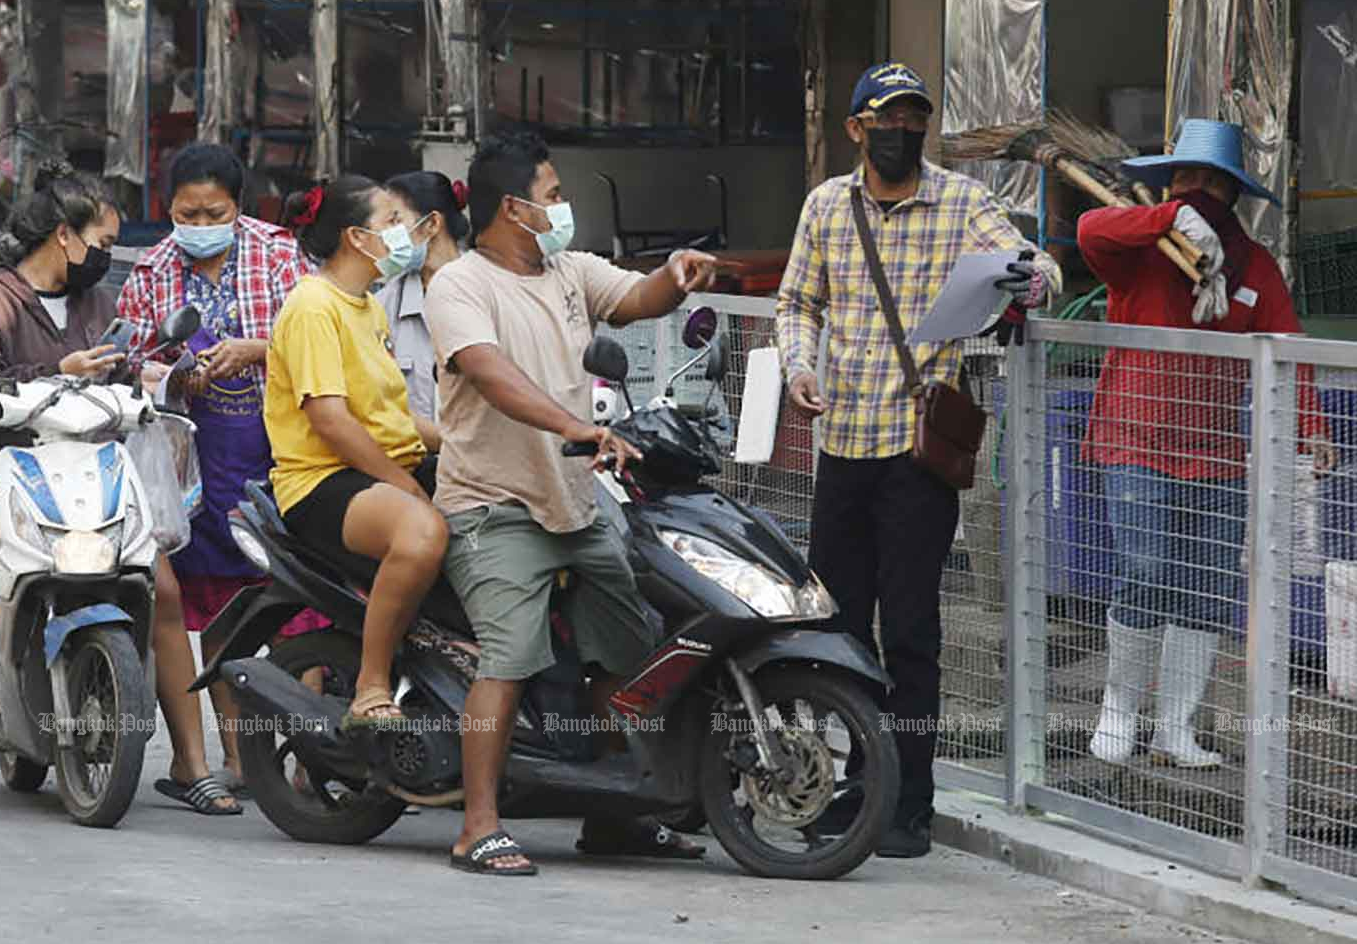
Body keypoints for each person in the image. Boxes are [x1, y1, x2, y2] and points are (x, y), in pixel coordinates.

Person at [0, 163, 237, 814]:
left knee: (161, 594)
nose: (106, 255)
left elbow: (123, 369)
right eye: (101, 241)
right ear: (65, 237)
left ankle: (192, 762)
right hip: (2, 469)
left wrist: (148, 378)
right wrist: (57, 370)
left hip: (90, 469)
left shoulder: (100, 304)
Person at [774, 62, 1060, 857]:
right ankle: (848, 790)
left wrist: (1027, 282)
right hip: (842, 447)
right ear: (857, 129)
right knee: (835, 632)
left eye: (915, 120)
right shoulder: (827, 206)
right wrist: (800, 366)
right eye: (888, 119)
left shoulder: (963, 202)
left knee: (910, 633)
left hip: (916, 456)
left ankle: (907, 802)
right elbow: (797, 302)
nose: (903, 132)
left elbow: (1036, 263)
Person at [423, 131, 718, 876]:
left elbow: (637, 296)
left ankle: (614, 816)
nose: (565, 209)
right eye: (554, 196)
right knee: (509, 657)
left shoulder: (568, 271)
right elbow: (489, 374)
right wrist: (574, 424)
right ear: (515, 209)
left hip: (576, 502)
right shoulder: (459, 285)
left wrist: (676, 276)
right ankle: (477, 826)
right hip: (492, 504)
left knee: (626, 653)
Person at [1080, 118, 1333, 769]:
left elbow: (1288, 347)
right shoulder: (1142, 246)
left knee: (1207, 584)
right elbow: (1089, 232)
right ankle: (1119, 712)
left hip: (1216, 451)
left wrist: (1314, 422)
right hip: (1134, 438)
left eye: (1209, 182)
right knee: (1144, 569)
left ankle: (1175, 727)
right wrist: (1164, 221)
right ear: (1169, 187)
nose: (1197, 192)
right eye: (1184, 179)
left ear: (1232, 191)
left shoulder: (1254, 266)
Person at [118, 143, 327, 794]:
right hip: (196, 467)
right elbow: (126, 360)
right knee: (219, 613)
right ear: (167, 209)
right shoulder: (151, 272)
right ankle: (238, 760)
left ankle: (309, 761)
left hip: (281, 458)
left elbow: (318, 338)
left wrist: (256, 350)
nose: (201, 222)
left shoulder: (279, 254)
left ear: (239, 208)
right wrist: (170, 373)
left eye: (215, 211)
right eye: (188, 211)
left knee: (301, 609)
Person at [264, 175, 448, 729]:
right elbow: (331, 421)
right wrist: (405, 484)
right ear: (356, 238)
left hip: (376, 469)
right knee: (422, 533)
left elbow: (391, 415)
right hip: (324, 480)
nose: (403, 232)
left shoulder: (366, 307)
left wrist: (468, 442)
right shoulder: (313, 305)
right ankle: (371, 686)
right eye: (391, 221)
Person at [376, 170, 471, 421]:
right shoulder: (383, 306)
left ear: (432, 224)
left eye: (395, 221)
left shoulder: (486, 287)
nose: (386, 234)